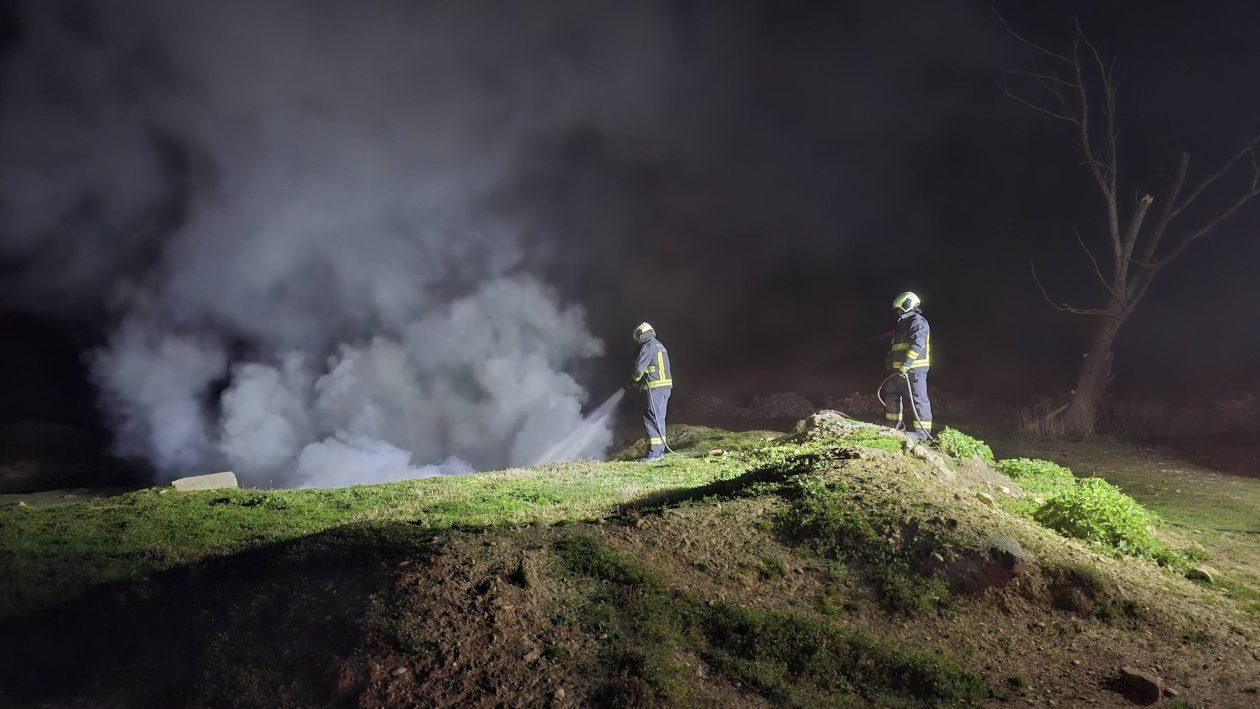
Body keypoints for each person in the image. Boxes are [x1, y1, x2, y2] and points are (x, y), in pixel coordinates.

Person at [881, 291, 933, 441]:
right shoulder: (902, 324)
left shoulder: (918, 322)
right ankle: (893, 426)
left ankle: (921, 435)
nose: (897, 312)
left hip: (915, 370)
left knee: (919, 399)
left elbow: (917, 345)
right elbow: (896, 347)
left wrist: (907, 364)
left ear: (906, 305)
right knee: (891, 394)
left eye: (899, 309)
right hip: (898, 370)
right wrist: (890, 362)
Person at [626, 322, 673, 461]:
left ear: (641, 334)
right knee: (659, 419)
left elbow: (638, 369)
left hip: (654, 388)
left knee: (651, 419)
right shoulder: (660, 345)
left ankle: (655, 454)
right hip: (664, 388)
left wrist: (633, 381)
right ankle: (659, 452)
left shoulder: (648, 346)